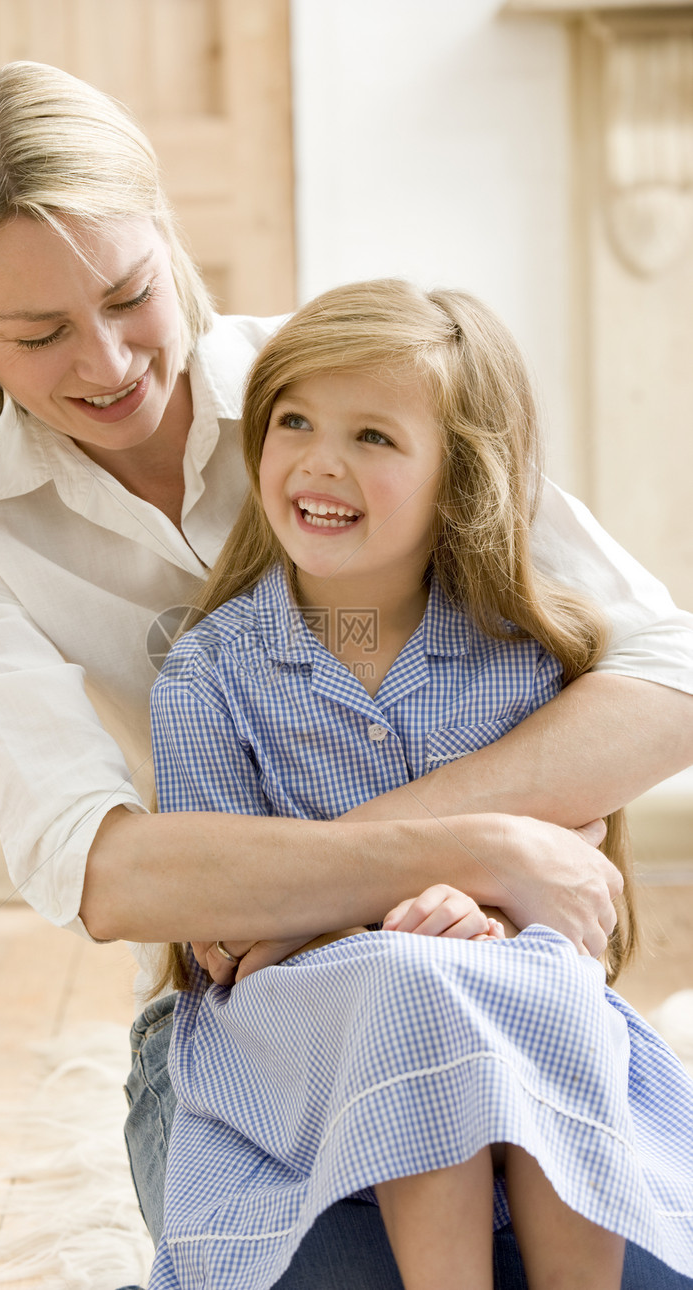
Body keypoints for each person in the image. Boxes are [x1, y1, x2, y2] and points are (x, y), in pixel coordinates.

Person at [0, 62, 693, 1289]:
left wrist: (445, 860)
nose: (104, 362)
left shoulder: (351, 379)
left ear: (165, 229)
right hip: (255, 1011)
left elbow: (664, 671)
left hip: (482, 952)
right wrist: (474, 847)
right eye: (37, 334)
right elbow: (97, 867)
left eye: (128, 295)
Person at [146, 279, 693, 1290]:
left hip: (502, 986)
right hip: (290, 1028)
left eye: (373, 438)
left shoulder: (526, 659)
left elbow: (571, 889)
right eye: (293, 421)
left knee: (534, 975)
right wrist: (395, 918)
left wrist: (475, 904)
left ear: (456, 476)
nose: (318, 459)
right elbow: (219, 933)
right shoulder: (207, 676)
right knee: (414, 982)